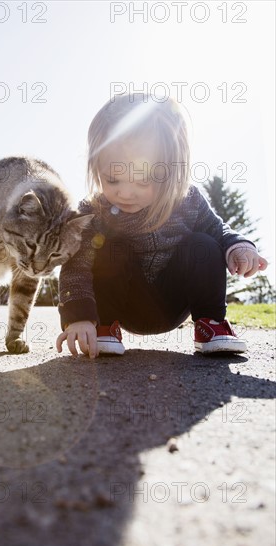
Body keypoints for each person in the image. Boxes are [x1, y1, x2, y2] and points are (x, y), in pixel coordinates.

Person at [56, 94, 268, 357]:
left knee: (203, 243)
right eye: (112, 180)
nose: (126, 193)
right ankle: (105, 327)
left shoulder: (187, 200)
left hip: (173, 302)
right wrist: (78, 317)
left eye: (142, 182)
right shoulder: (93, 212)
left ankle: (211, 324)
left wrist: (239, 247)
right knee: (107, 248)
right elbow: (75, 264)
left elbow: (218, 229)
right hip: (123, 304)